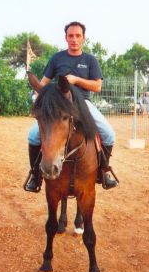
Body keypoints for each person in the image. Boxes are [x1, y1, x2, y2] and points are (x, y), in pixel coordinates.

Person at [25, 21, 118, 192]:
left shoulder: (90, 60)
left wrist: (76, 80)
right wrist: (38, 97)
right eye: (70, 36)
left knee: (109, 134)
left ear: (83, 38)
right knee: (33, 136)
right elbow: (44, 83)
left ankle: (103, 171)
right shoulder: (57, 58)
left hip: (83, 103)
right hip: (59, 104)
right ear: (66, 38)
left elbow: (97, 86)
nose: (74, 39)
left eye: (78, 36)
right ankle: (35, 174)